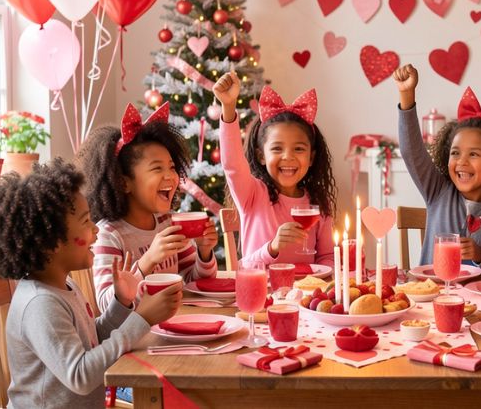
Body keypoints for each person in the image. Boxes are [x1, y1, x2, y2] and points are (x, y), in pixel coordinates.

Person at [0, 159, 181, 408]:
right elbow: (80, 376)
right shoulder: (40, 304)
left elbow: (91, 341)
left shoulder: (65, 286)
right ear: (52, 241)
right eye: (85, 222)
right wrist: (142, 319)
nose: (96, 230)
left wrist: (120, 304)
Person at [76, 103, 217, 311]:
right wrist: (148, 261)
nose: (170, 176)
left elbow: (195, 282)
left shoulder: (168, 222)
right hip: (136, 331)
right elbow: (107, 307)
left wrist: (204, 252)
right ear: (124, 183)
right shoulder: (109, 235)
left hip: (172, 322)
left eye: (172, 167)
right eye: (157, 168)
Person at [393, 64, 481, 273]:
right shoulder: (438, 191)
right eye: (455, 153)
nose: (462, 162)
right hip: (433, 289)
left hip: (479, 293)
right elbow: (411, 151)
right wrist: (406, 94)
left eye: (473, 154)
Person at [213, 71, 335, 267]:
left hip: (306, 288)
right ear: (261, 156)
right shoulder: (252, 194)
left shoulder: (318, 202)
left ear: (311, 158)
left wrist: (329, 273)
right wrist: (228, 107)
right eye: (277, 148)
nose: (288, 156)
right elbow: (233, 165)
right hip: (261, 286)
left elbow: (326, 256)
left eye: (298, 149)